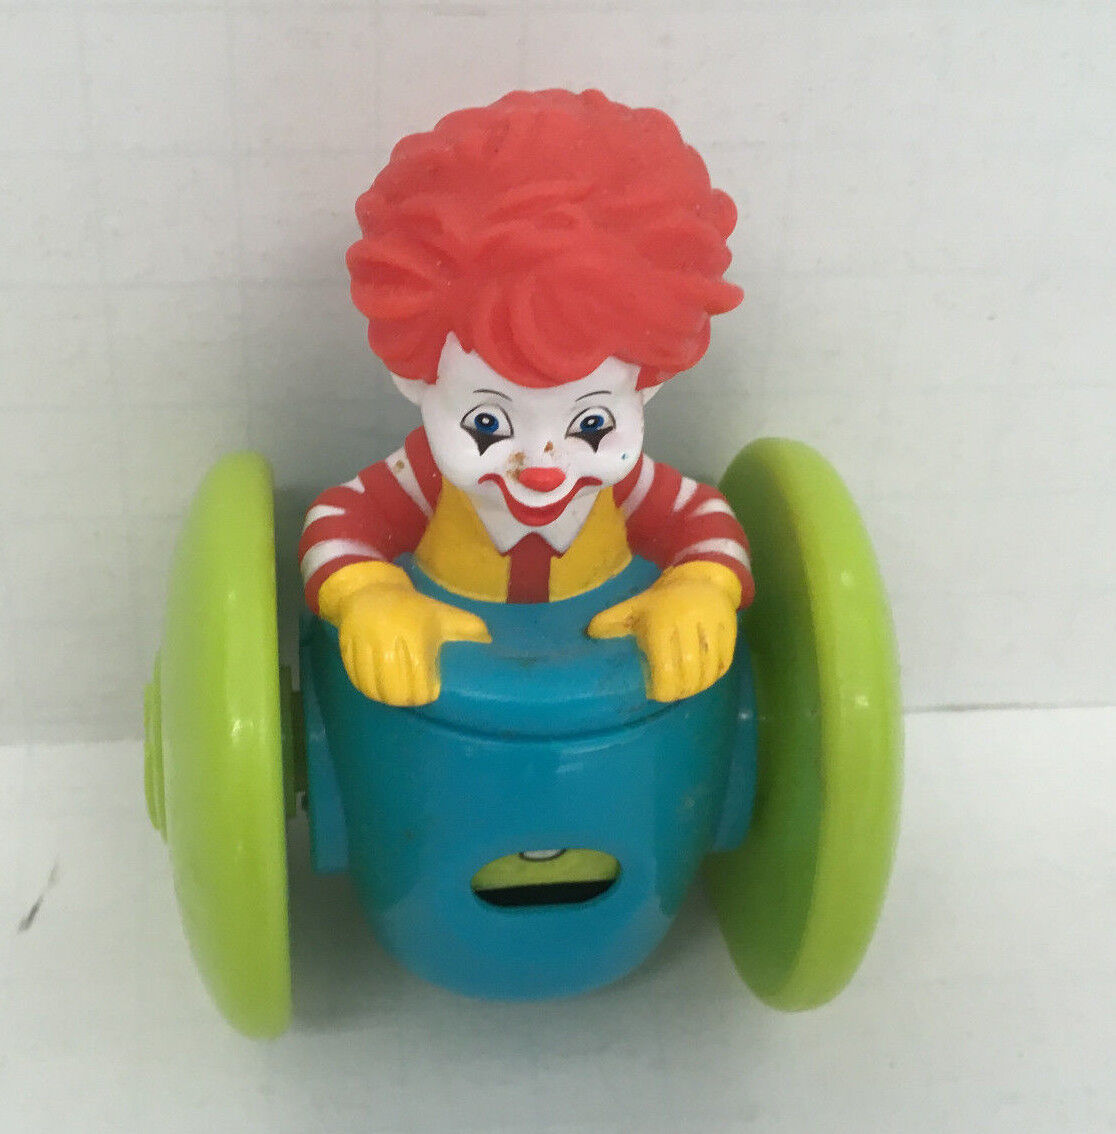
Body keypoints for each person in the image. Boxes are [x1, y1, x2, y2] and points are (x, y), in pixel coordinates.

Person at [300, 89, 753, 707]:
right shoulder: (427, 477)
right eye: (487, 424)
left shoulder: (625, 487)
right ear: (418, 382)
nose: (542, 467)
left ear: (646, 387)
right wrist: (370, 595)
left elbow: (703, 520)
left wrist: (698, 588)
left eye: (591, 424)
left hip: (616, 697)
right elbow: (339, 520)